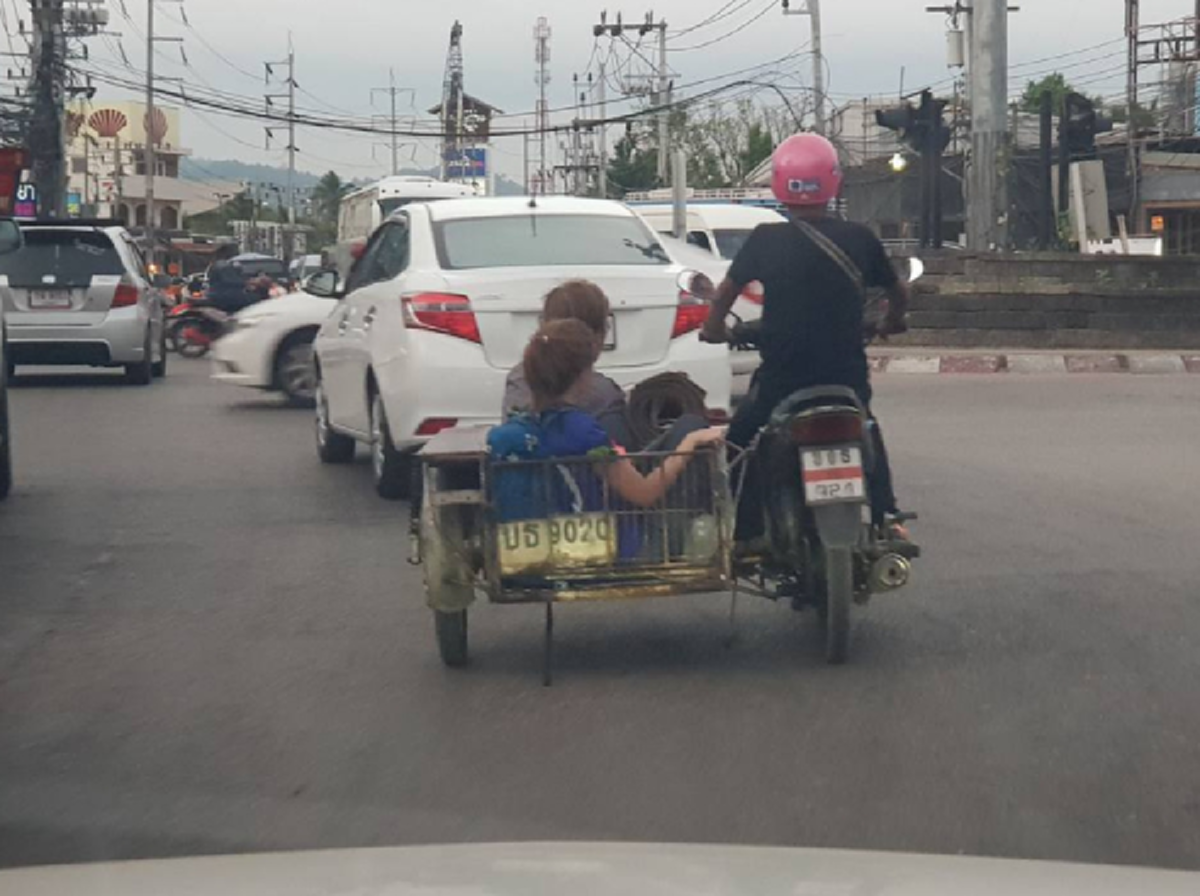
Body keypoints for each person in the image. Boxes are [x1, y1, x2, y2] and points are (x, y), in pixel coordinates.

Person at [699, 133, 909, 543]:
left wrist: (712, 329)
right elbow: (899, 292)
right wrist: (893, 321)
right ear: (833, 182)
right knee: (866, 424)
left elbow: (724, 294)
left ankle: (743, 532)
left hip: (782, 382)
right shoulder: (860, 238)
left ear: (780, 184)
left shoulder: (764, 239)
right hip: (844, 378)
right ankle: (888, 516)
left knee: (739, 440)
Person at [489, 319, 726, 520]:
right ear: (582, 376)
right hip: (602, 549)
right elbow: (644, 493)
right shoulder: (584, 433)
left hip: (533, 555)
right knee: (688, 426)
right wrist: (689, 442)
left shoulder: (509, 433)